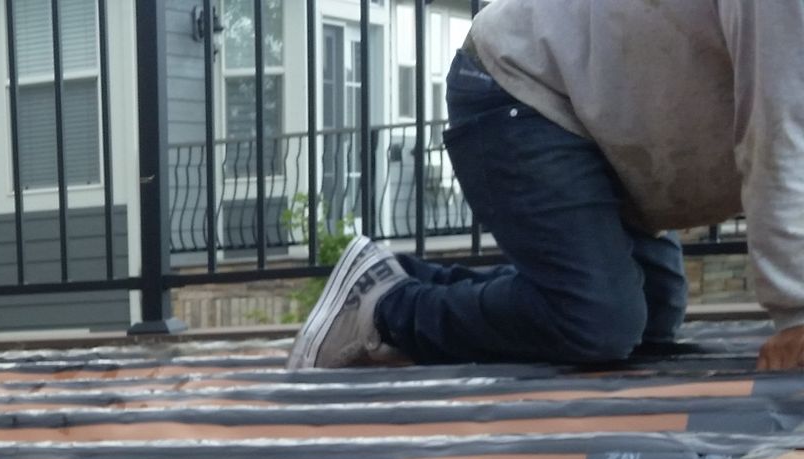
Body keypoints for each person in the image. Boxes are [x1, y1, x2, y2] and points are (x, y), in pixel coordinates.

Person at [288, 0, 804, 374]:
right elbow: (777, 134)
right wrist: (796, 313)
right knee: (599, 322)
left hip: (605, 123)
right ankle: (383, 311)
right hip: (522, 84)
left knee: (648, 321)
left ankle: (397, 276)